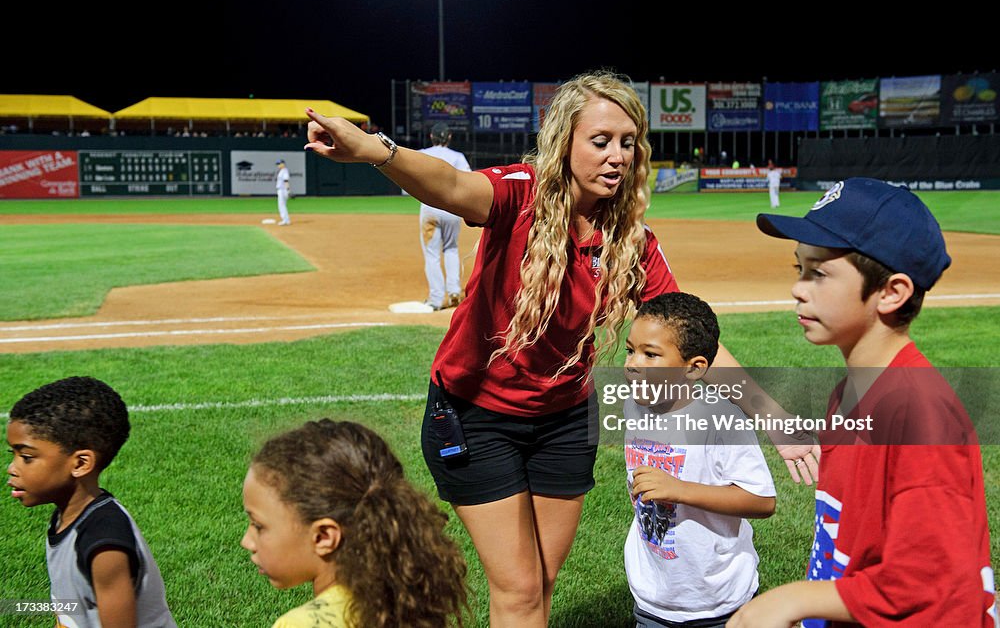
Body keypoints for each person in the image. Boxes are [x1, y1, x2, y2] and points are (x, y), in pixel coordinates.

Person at [304, 70, 816, 627]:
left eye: (627, 143)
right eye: (600, 142)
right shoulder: (521, 194)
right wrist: (379, 151)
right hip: (477, 416)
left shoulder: (632, 241)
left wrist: (776, 419)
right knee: (520, 589)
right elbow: (452, 188)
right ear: (563, 143)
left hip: (564, 420)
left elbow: (695, 343)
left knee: (542, 581)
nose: (616, 156)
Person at [728, 178, 997, 627]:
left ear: (891, 292)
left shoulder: (920, 417)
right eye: (799, 268)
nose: (798, 288)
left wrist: (792, 600)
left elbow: (930, 589)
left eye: (819, 272)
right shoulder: (849, 393)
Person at [623, 292, 776, 627]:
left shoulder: (721, 420)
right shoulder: (634, 405)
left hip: (717, 600)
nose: (633, 363)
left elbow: (762, 501)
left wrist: (679, 490)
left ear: (693, 369)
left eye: (651, 354)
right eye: (630, 350)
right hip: (653, 597)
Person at [240, 418, 468, 628]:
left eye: (258, 526)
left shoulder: (300, 624)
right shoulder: (410, 602)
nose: (247, 541)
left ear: (323, 537)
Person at [5, 376, 176, 627]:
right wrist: (12, 606)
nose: (12, 468)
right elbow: (73, 604)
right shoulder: (70, 515)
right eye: (15, 455)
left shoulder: (104, 547)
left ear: (80, 464)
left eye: (27, 457)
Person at [418, 122, 472, 310]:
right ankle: (454, 291)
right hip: (452, 209)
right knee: (451, 248)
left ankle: (435, 298)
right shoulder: (458, 157)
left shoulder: (422, 154)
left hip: (430, 209)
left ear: (431, 137)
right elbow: (468, 181)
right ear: (449, 138)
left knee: (432, 254)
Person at [275, 158, 291, 225]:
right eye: (277, 164)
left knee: (281, 205)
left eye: (279, 163)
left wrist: (288, 190)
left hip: (282, 190)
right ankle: (286, 220)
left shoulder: (284, 171)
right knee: (282, 205)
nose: (278, 165)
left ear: (283, 164)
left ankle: (285, 220)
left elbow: (286, 180)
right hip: (282, 190)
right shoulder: (282, 171)